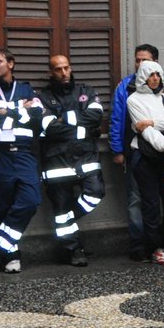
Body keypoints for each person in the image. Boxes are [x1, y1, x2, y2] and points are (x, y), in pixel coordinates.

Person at [109, 44, 164, 261]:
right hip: (143, 154)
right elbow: (126, 122)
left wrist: (158, 123)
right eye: (138, 61)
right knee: (143, 202)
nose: (143, 67)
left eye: (148, 64)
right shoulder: (128, 92)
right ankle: (145, 247)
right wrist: (118, 148)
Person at [0, 48, 42, 274]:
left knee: (30, 199)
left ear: (11, 64)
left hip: (22, 152)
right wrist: (20, 109)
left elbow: (37, 115)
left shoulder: (25, 89)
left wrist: (6, 110)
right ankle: (11, 254)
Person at [37, 53, 106, 267]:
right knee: (60, 209)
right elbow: (48, 127)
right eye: (58, 69)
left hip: (85, 157)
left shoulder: (85, 91)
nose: (64, 72)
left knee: (96, 192)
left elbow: (96, 117)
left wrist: (63, 118)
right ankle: (74, 250)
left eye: (66, 67)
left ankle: (70, 219)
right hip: (56, 161)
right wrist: (79, 125)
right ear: (51, 72)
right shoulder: (41, 97)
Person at [124, 59, 164, 264]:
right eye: (151, 75)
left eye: (158, 74)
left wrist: (150, 121)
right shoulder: (133, 100)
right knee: (150, 204)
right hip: (146, 157)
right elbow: (147, 133)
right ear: (143, 77)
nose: (155, 78)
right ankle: (155, 248)